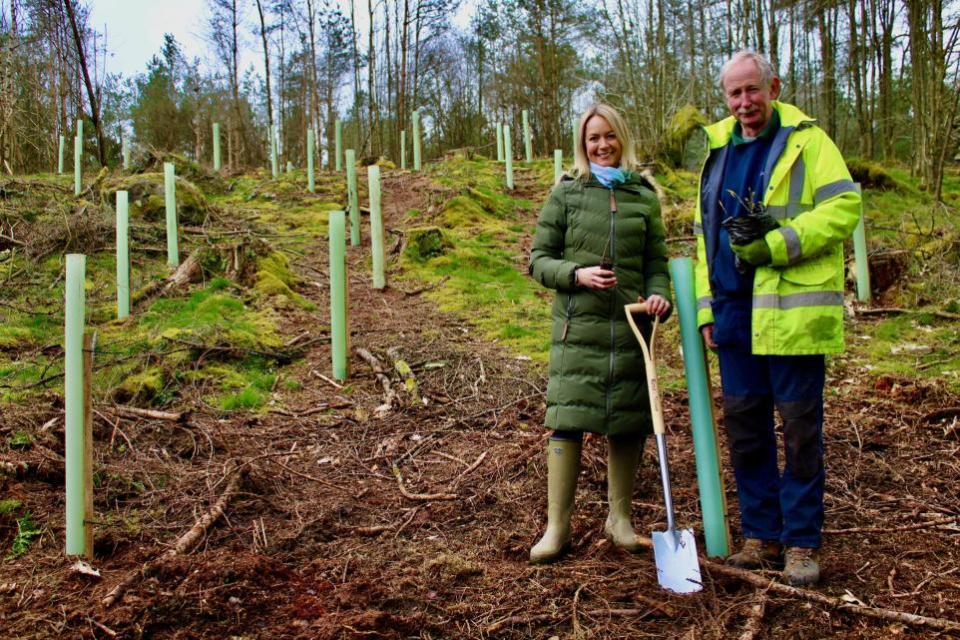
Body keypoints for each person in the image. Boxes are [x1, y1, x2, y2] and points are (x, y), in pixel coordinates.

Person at [693, 51, 861, 586]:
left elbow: (843, 209)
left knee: (798, 431)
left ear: (774, 86)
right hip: (734, 314)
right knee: (746, 430)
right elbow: (703, 236)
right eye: (734, 93)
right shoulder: (716, 147)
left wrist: (777, 246)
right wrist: (704, 308)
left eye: (752, 91)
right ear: (725, 97)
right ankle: (760, 535)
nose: (744, 103)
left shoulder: (809, 141)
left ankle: (802, 544)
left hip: (790, 314)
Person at [528, 103, 672, 564]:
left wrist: (657, 297)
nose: (602, 145)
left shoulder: (644, 196)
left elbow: (656, 264)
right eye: (593, 138)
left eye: (609, 136)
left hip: (631, 329)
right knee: (567, 421)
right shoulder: (567, 194)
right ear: (582, 144)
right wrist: (577, 274)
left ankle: (620, 521)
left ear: (622, 138)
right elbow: (538, 261)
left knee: (628, 423)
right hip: (578, 331)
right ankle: (557, 527)